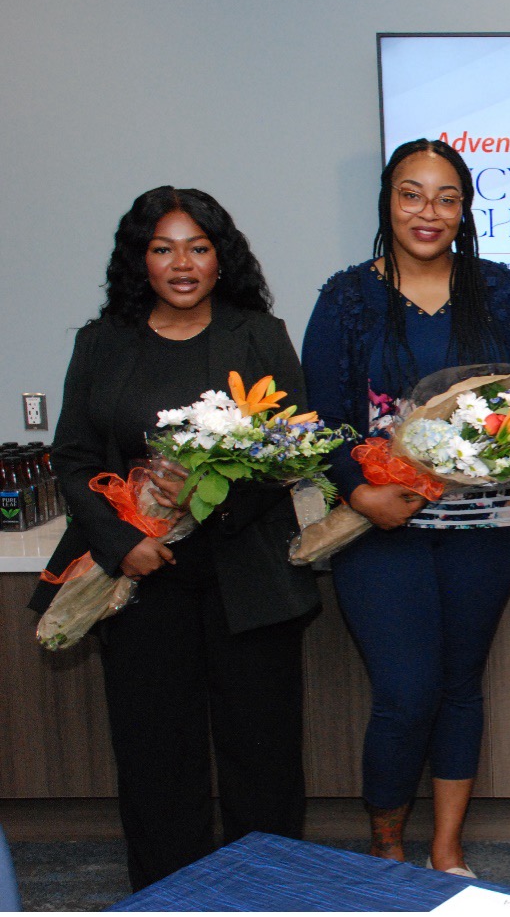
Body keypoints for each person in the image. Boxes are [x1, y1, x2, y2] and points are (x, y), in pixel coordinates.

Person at [31, 186, 319, 891]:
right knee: (157, 754)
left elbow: (295, 451)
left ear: (222, 260)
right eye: (163, 249)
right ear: (140, 261)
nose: (181, 263)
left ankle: (268, 894)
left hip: (247, 575)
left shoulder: (258, 334)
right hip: (140, 581)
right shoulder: (101, 342)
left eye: (198, 247)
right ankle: (170, 895)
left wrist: (214, 503)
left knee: (263, 754)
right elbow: (73, 459)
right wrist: (119, 537)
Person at [301, 139, 510, 876]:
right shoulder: (347, 298)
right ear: (388, 202)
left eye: (445, 197)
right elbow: (323, 420)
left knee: (459, 687)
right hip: (383, 527)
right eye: (411, 194)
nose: (427, 212)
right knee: (406, 694)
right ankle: (386, 846)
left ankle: (447, 849)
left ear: (464, 209)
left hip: (486, 529)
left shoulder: (498, 290)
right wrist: (360, 492)